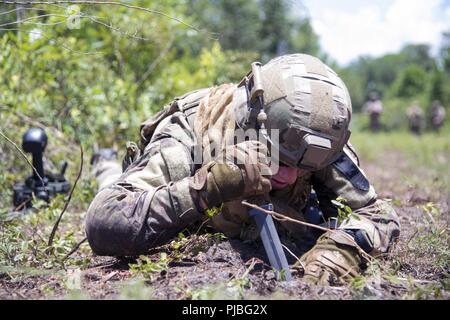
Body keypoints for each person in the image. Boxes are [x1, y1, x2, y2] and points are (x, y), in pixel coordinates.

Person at [85, 54, 400, 286]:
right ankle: (105, 161)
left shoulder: (312, 141)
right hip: (166, 189)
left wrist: (340, 254)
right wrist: (208, 187)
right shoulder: (191, 134)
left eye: (300, 169)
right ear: (247, 124)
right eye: (278, 158)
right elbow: (105, 220)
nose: (289, 176)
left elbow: (378, 214)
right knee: (111, 180)